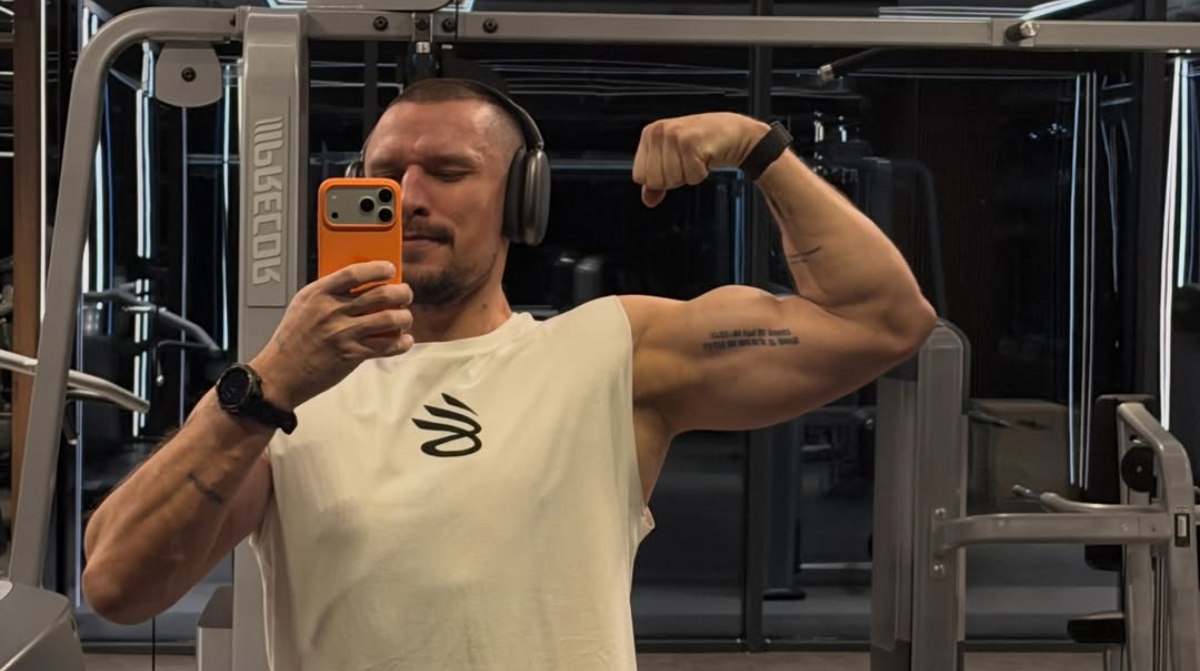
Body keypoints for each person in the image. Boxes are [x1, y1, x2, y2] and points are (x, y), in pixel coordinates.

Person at [80, 78, 937, 670]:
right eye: (384, 177)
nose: (411, 196)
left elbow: (883, 321)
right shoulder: (281, 394)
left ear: (523, 201)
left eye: (449, 172)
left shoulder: (611, 351)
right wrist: (264, 385)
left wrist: (761, 150)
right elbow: (116, 585)